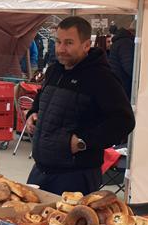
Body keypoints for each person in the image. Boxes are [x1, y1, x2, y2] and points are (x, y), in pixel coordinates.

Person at [25, 16, 135, 195]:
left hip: (75, 175)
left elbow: (124, 120)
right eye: (58, 41)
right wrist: (33, 112)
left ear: (86, 45)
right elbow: (42, 97)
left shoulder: (101, 78)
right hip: (41, 169)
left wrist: (84, 142)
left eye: (69, 43)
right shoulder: (54, 71)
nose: (61, 48)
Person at [108, 26, 135, 99]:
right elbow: (129, 66)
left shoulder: (120, 41)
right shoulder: (126, 43)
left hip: (117, 82)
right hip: (123, 83)